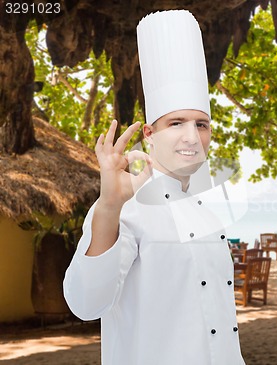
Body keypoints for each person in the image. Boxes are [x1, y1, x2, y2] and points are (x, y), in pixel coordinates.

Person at [63, 10, 245, 364]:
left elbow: (219, 322)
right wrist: (110, 206)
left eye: (202, 124)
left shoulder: (208, 211)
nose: (191, 137)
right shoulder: (126, 205)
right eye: (176, 123)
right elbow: (86, 304)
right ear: (149, 134)